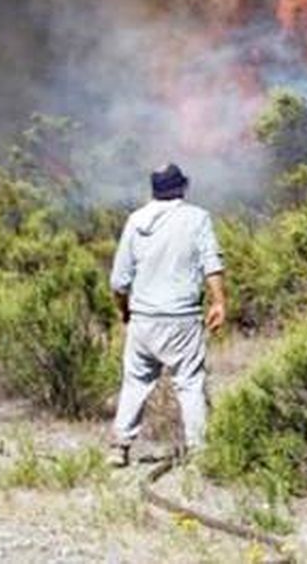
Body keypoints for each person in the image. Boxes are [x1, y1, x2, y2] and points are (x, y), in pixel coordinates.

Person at [107, 163, 227, 468]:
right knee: (189, 383)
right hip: (182, 319)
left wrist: (125, 312)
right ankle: (199, 451)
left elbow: (119, 281)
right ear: (182, 187)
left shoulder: (135, 221)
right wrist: (218, 302)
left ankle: (120, 447)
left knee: (135, 381)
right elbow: (211, 263)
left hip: (144, 318)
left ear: (153, 190)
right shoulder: (197, 218)